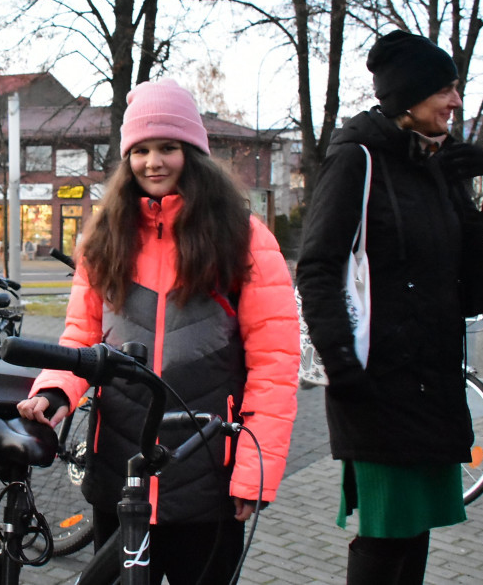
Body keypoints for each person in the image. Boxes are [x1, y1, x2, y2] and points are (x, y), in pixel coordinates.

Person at [17, 79, 300, 584]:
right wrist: (56, 388)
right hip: (119, 474)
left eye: (167, 147)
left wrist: (254, 473)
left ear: (193, 152)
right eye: (141, 150)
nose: (153, 161)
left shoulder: (244, 237)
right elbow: (82, 337)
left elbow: (275, 365)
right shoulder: (105, 237)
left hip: (207, 473)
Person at [295, 30, 483, 584]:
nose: (455, 101)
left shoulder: (433, 165)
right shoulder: (357, 160)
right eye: (446, 88)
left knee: (414, 532)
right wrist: (344, 366)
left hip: (431, 379)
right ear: (411, 95)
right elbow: (318, 266)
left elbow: (472, 255)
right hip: (376, 385)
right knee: (385, 532)